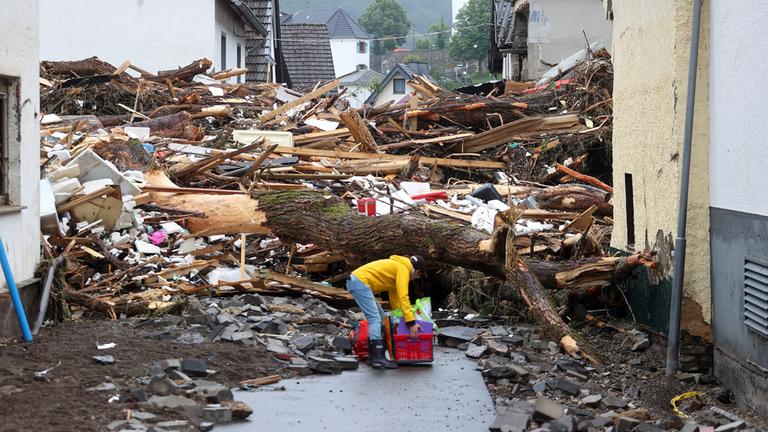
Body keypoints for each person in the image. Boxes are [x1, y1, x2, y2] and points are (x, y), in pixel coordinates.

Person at [347, 255, 427, 369]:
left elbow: (396, 301)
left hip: (358, 282)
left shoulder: (398, 268)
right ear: (417, 272)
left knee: (380, 316)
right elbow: (404, 297)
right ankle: (378, 357)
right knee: (375, 318)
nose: (415, 279)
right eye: (418, 276)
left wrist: (398, 320)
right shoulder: (404, 269)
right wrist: (411, 323)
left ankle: (373, 356)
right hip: (360, 282)